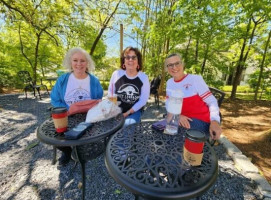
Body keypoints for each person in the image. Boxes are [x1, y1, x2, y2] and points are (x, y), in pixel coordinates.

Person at [50, 47, 103, 165]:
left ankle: (80, 150)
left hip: (88, 117)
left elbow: (98, 100)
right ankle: (67, 151)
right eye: (75, 60)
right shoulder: (63, 80)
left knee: (88, 137)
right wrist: (69, 110)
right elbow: (54, 99)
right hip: (66, 115)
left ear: (87, 63)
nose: (79, 64)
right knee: (54, 135)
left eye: (82, 60)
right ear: (70, 62)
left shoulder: (94, 81)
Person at [164, 53, 222, 140]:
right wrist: (177, 116)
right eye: (170, 65)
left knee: (177, 138)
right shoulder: (169, 82)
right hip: (181, 118)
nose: (174, 67)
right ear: (167, 68)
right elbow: (168, 103)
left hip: (200, 120)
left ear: (182, 64)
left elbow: (212, 101)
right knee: (164, 132)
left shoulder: (195, 79)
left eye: (177, 63)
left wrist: (215, 121)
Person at [108, 46, 150, 127]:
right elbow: (111, 92)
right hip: (116, 109)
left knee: (127, 126)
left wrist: (127, 113)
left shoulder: (144, 77)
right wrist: (115, 110)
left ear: (138, 61)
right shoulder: (116, 74)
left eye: (134, 57)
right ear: (124, 61)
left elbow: (143, 100)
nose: (131, 60)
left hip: (134, 111)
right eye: (127, 57)